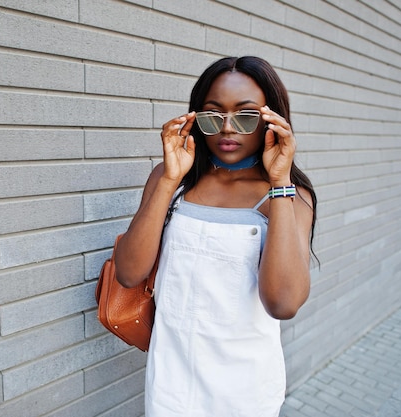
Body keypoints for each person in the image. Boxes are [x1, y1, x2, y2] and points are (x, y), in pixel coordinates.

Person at [114, 56, 317, 417]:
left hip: (245, 390)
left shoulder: (288, 196)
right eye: (212, 115)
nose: (227, 128)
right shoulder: (173, 179)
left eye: (245, 115)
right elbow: (129, 273)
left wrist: (280, 183)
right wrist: (168, 180)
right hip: (171, 382)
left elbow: (283, 304)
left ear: (272, 120)